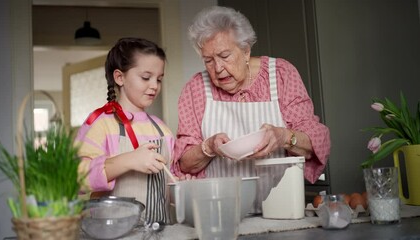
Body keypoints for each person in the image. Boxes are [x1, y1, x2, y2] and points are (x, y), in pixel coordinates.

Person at [171, 6, 331, 212]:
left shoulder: (281, 75)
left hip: (283, 208)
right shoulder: (196, 88)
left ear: (246, 50)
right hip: (221, 211)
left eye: (225, 55)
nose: (217, 68)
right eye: (209, 61)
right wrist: (208, 147)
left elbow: (316, 141)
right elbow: (184, 164)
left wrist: (283, 137)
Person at [75, 38, 174, 225]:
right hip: (111, 234)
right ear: (120, 77)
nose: (154, 85)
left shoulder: (163, 130)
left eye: (159, 79)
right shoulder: (100, 125)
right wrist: (129, 160)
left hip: (159, 232)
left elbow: (170, 181)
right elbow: (76, 178)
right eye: (146, 77)